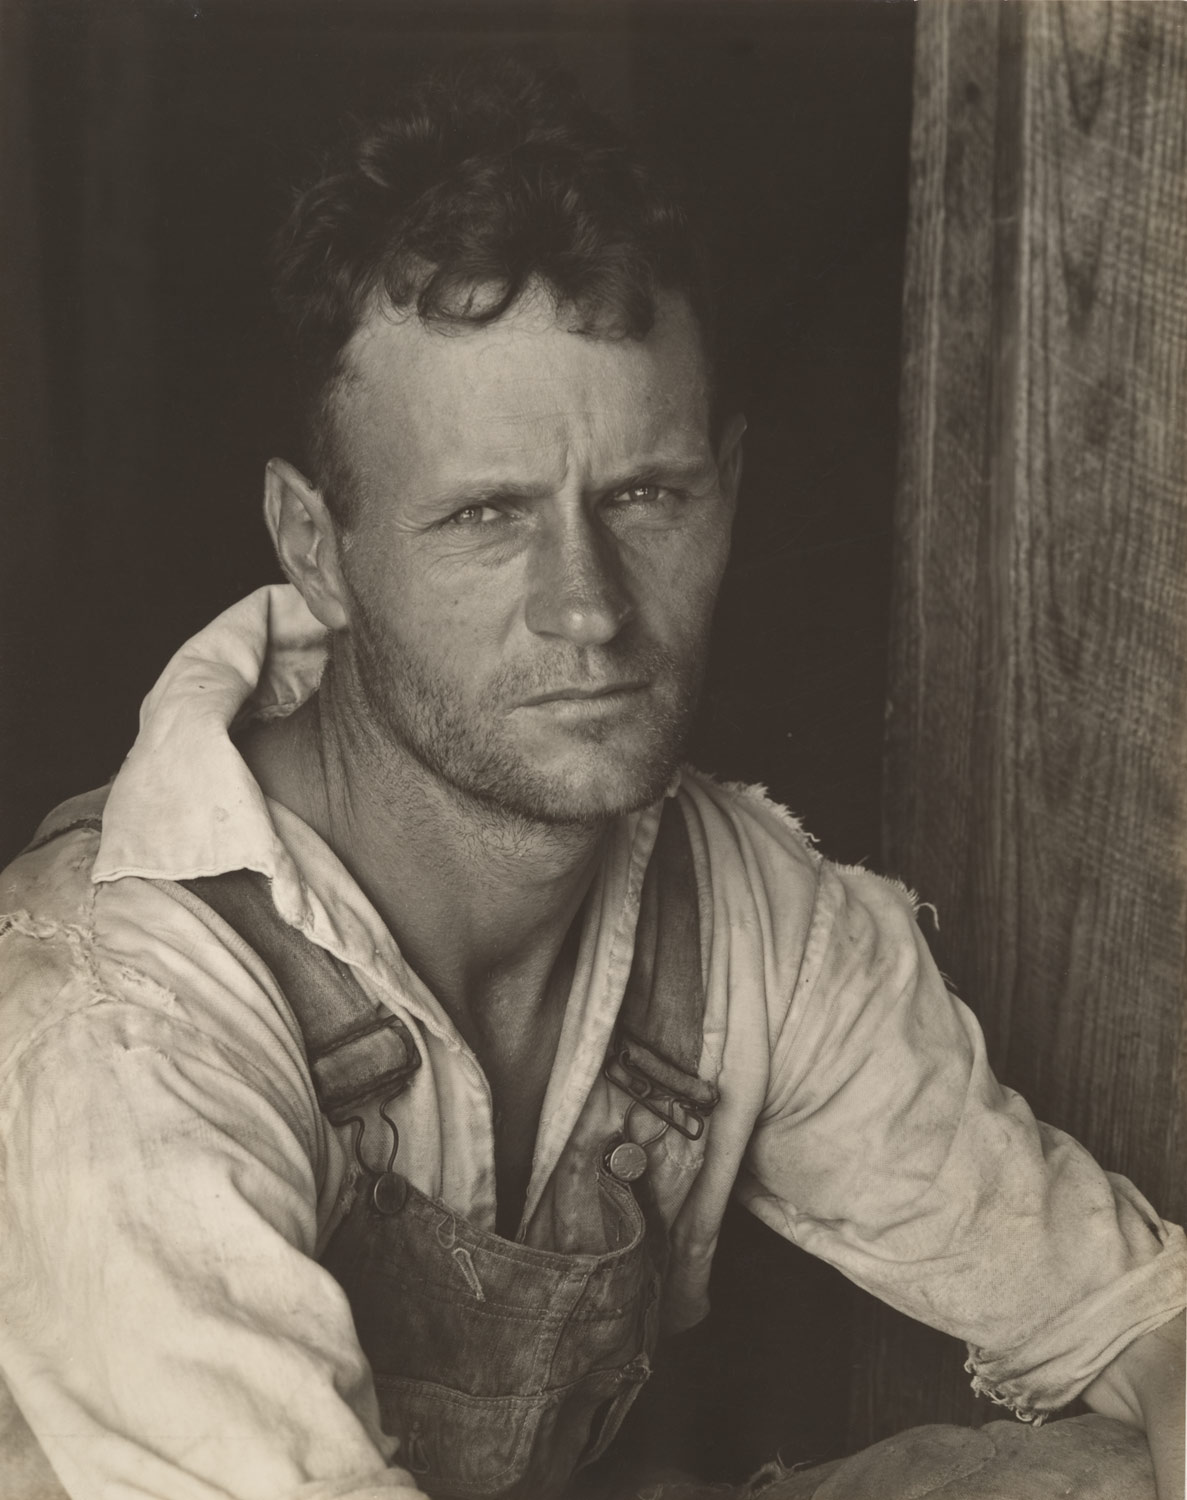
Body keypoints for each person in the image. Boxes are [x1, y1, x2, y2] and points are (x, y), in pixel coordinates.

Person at [0, 62, 1182, 1500]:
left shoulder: (742, 912)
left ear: (728, 489)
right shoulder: (117, 1021)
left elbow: (1133, 1316)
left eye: (642, 497)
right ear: (316, 545)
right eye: (487, 516)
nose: (591, 609)